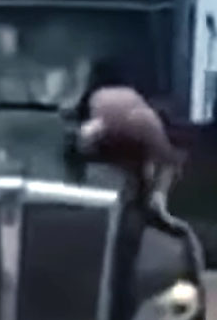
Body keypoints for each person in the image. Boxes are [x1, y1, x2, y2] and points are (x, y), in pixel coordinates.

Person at [72, 59, 183, 213]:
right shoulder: (139, 106)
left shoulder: (99, 97)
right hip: (138, 133)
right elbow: (168, 162)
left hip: (107, 136)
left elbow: (83, 133)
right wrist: (160, 194)